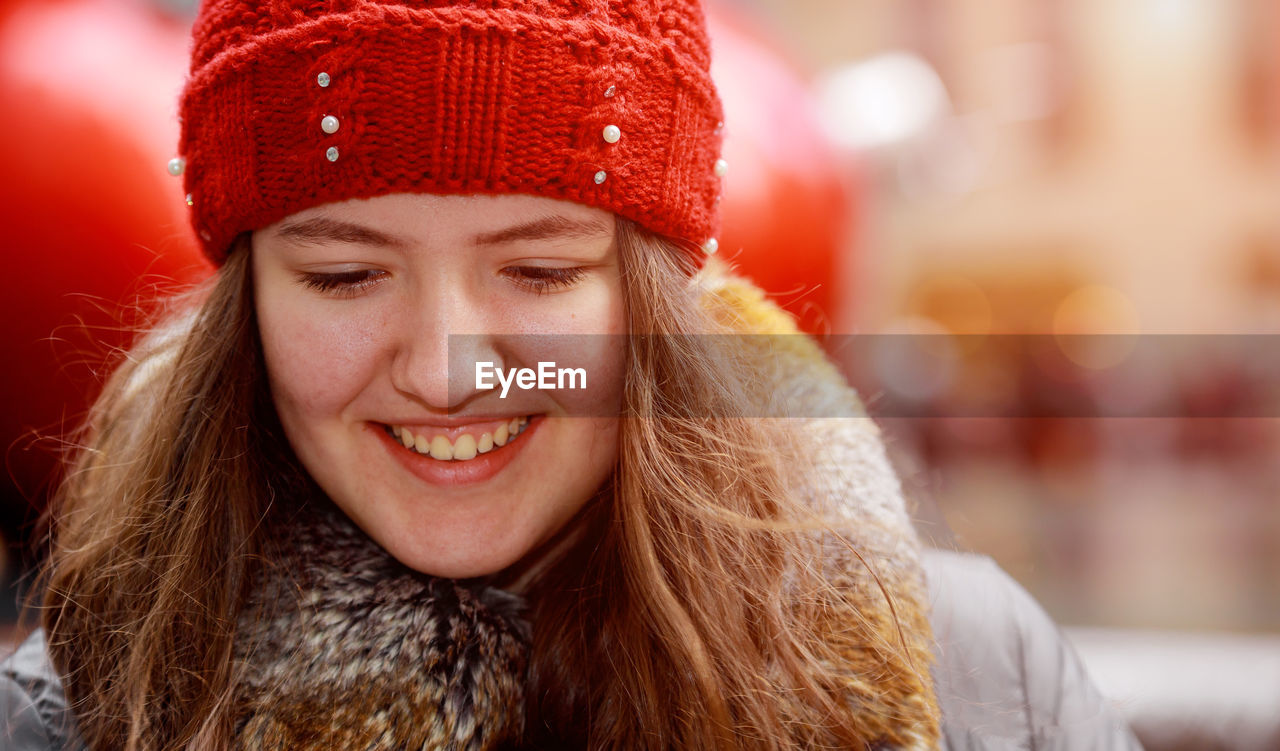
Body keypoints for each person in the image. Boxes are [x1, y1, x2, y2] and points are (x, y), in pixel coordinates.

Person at [0, 1, 1143, 749]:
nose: (447, 370)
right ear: (245, 309)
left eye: (539, 270)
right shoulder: (77, 712)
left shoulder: (986, 682)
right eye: (347, 276)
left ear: (650, 301)